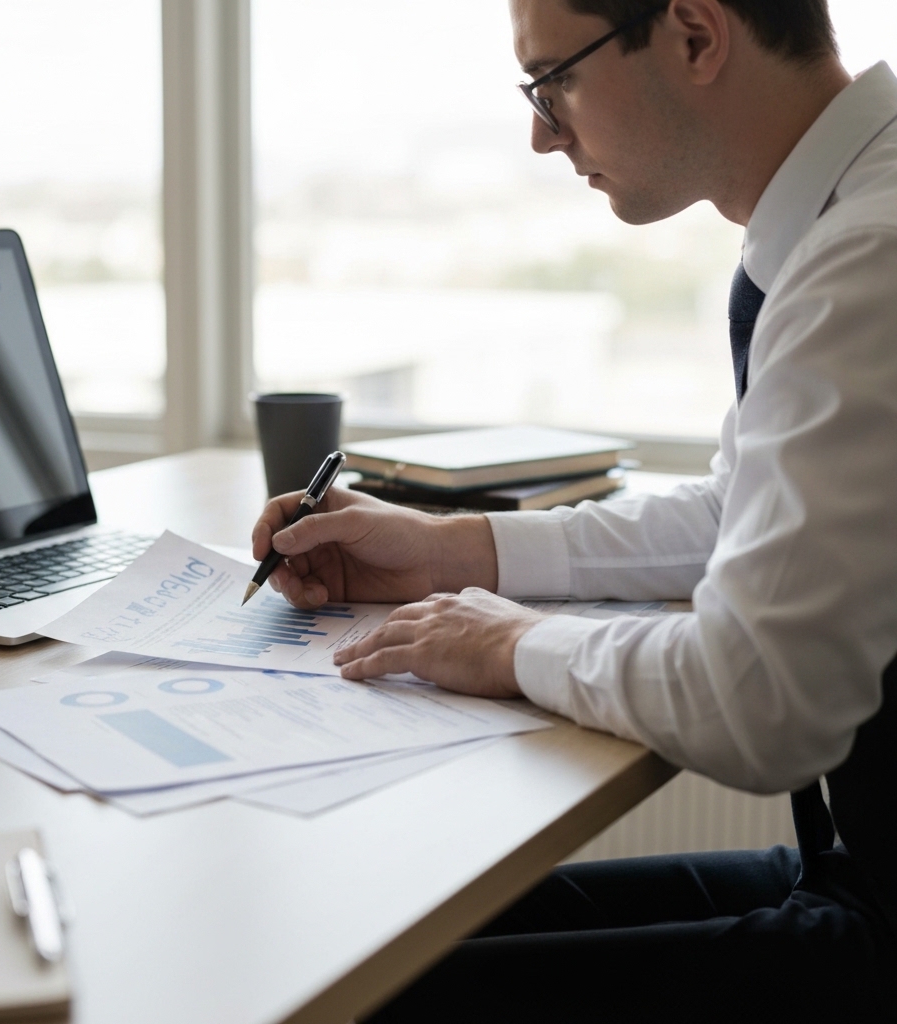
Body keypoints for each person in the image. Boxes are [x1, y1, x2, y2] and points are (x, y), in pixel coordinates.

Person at [251, 0, 897, 1019]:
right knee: (380, 946)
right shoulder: (840, 220)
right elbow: (739, 514)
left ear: (693, 35)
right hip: (856, 875)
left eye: (553, 82)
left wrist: (513, 645)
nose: (542, 132)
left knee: (366, 995)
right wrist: (447, 549)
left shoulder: (869, 257)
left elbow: (761, 700)